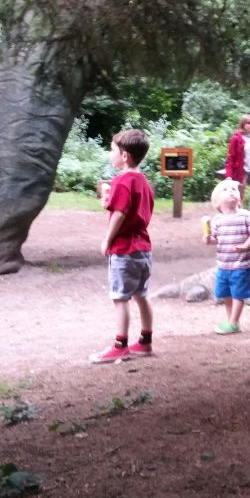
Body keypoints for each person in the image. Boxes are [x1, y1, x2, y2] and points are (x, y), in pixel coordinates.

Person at [90, 129, 156, 364]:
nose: (111, 154)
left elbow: (120, 214)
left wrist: (107, 239)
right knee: (141, 294)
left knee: (120, 298)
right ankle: (145, 342)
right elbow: (135, 209)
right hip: (143, 249)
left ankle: (120, 345)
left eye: (112, 149)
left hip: (124, 249)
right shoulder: (143, 182)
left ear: (125, 155)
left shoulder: (121, 180)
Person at [206, 178, 250, 335]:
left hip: (242, 264)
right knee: (226, 293)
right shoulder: (217, 221)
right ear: (217, 201)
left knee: (238, 293)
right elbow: (214, 239)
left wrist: (245, 246)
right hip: (224, 264)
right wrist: (207, 237)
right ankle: (231, 321)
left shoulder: (245, 215)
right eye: (226, 190)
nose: (231, 191)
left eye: (234, 189)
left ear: (239, 198)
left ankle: (234, 322)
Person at [224, 114, 250, 204]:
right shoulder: (236, 138)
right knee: (239, 196)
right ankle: (237, 214)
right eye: (248, 123)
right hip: (241, 170)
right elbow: (231, 157)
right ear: (243, 124)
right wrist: (229, 175)